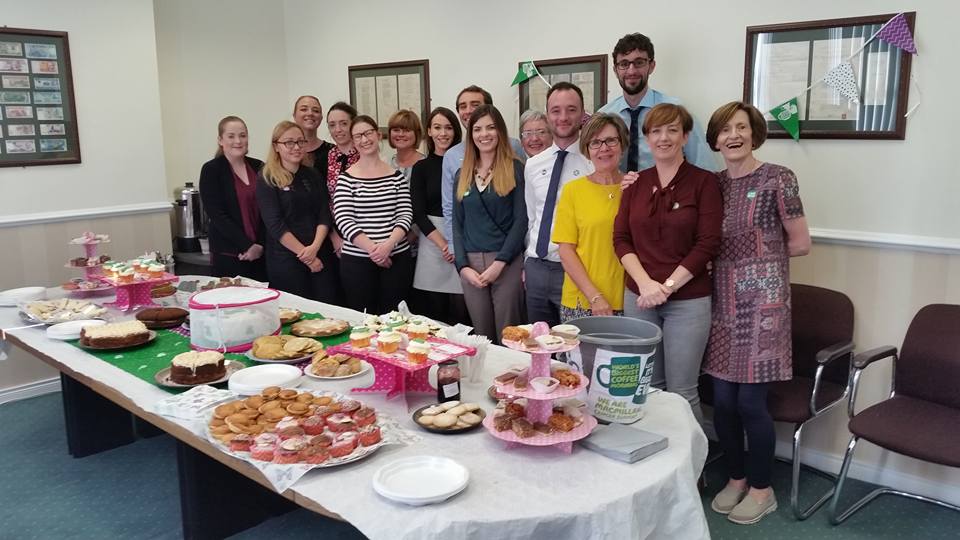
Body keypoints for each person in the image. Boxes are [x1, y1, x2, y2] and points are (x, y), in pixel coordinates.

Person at [702, 101, 811, 525]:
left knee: (750, 403)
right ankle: (736, 476)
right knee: (723, 402)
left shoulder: (778, 178)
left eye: (741, 127)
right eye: (725, 129)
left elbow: (801, 243)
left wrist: (754, 258)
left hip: (764, 305)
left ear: (754, 133)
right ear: (714, 139)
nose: (733, 135)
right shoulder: (713, 185)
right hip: (723, 305)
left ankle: (762, 489)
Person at [612, 103, 722, 425]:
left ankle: (692, 472)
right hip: (640, 298)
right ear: (646, 139)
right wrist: (646, 285)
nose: (664, 138)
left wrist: (668, 287)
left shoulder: (704, 183)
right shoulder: (635, 184)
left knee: (681, 392)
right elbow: (620, 239)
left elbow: (708, 244)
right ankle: (658, 464)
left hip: (688, 302)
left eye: (672, 130)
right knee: (647, 387)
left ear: (685, 136)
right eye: (656, 131)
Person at [452, 105, 526, 343]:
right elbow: (457, 224)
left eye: (491, 128)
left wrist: (500, 263)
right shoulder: (462, 174)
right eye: (477, 129)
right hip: (471, 266)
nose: (484, 134)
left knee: (509, 335)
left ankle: (509, 380)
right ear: (471, 134)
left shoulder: (515, 168)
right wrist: (463, 267)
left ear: (501, 132)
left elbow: (521, 221)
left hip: (506, 262)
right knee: (482, 336)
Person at [524, 82, 594, 327]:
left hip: (575, 270)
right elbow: (533, 217)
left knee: (573, 347)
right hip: (536, 267)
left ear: (583, 114)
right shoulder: (532, 165)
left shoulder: (592, 164)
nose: (563, 117)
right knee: (539, 347)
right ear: (547, 115)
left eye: (571, 110)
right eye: (556, 110)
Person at [599, 32, 715, 173]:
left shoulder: (676, 111)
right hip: (616, 193)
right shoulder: (604, 115)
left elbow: (703, 165)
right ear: (616, 70)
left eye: (639, 62)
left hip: (668, 192)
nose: (631, 70)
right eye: (624, 64)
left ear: (652, 66)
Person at [551, 113, 629, 321]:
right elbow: (566, 251)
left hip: (631, 299)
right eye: (595, 142)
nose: (604, 148)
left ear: (622, 144)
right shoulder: (573, 191)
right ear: (587, 149)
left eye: (611, 140)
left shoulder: (636, 187)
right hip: (583, 300)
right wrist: (594, 297)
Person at [333, 115, 414, 314]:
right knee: (363, 319)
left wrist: (388, 246)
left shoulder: (396, 176)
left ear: (378, 135)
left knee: (395, 320)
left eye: (368, 133)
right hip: (357, 261)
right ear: (353, 142)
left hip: (396, 258)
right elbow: (343, 219)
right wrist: (374, 251)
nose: (365, 139)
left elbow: (405, 213)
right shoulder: (346, 179)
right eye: (358, 136)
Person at [256, 121, 337, 302]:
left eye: (300, 142)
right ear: (276, 146)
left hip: (319, 253)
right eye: (289, 142)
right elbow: (275, 224)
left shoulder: (312, 174)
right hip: (287, 259)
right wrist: (307, 256)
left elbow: (324, 213)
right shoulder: (267, 178)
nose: (296, 147)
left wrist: (314, 248)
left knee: (328, 310)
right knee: (296, 315)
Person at [441, 85, 526, 258]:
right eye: (463, 106)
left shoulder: (514, 146)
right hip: (470, 249)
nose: (469, 110)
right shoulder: (451, 155)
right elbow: (451, 207)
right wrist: (454, 246)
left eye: (475, 104)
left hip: (507, 249)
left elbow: (522, 208)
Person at [410, 107, 470, 325]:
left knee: (462, 315)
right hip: (432, 241)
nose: (443, 133)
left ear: (456, 131)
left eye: (448, 127)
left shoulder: (467, 163)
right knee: (433, 318)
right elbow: (418, 212)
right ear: (429, 131)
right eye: (437, 127)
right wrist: (445, 245)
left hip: (463, 238)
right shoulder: (421, 167)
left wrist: (455, 244)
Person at [198, 116, 266, 281]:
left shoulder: (260, 167)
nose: (238, 141)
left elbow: (268, 210)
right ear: (220, 140)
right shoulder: (211, 170)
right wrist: (247, 246)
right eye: (231, 136)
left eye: (243, 135)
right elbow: (217, 215)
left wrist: (260, 246)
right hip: (228, 254)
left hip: (261, 253)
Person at [291, 95, 332, 169]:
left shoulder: (332, 152)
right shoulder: (285, 151)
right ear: (294, 115)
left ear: (321, 117)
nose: (310, 113)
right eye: (304, 109)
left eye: (316, 111)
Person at [387, 109, 426, 181]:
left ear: (417, 134)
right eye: (396, 130)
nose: (401, 134)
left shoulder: (426, 165)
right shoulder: (385, 165)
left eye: (407, 130)